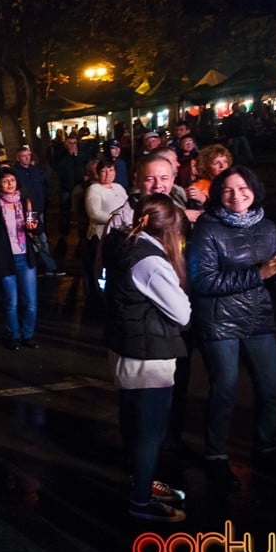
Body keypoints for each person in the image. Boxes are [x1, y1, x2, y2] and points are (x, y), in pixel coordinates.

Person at [188, 166, 276, 492]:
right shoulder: (207, 229)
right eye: (227, 191)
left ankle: (265, 448)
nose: (237, 195)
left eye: (243, 188)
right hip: (220, 321)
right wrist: (260, 274)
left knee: (271, 387)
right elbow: (203, 280)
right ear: (218, 196)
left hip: (258, 318)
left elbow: (272, 280)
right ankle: (216, 457)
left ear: (254, 189)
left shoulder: (267, 227)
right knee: (225, 390)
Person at [102, 194, 190, 523]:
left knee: (134, 425)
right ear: (169, 230)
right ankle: (141, 501)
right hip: (148, 356)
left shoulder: (123, 244)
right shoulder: (151, 261)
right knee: (150, 432)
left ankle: (142, 482)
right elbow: (182, 313)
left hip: (126, 349)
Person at [0, 168, 40, 350]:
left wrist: (34, 227)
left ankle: (28, 335)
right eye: (5, 180)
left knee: (30, 302)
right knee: (11, 302)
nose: (9, 183)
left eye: (12, 180)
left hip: (25, 257)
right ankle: (14, 336)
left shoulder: (25, 203)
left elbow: (37, 228)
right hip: (6, 260)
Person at [83, 160, 128, 303]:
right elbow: (94, 213)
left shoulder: (119, 187)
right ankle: (99, 297)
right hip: (101, 234)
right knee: (101, 268)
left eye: (111, 170)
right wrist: (116, 220)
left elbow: (127, 206)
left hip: (120, 235)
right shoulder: (94, 189)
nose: (108, 174)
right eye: (104, 171)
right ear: (98, 173)